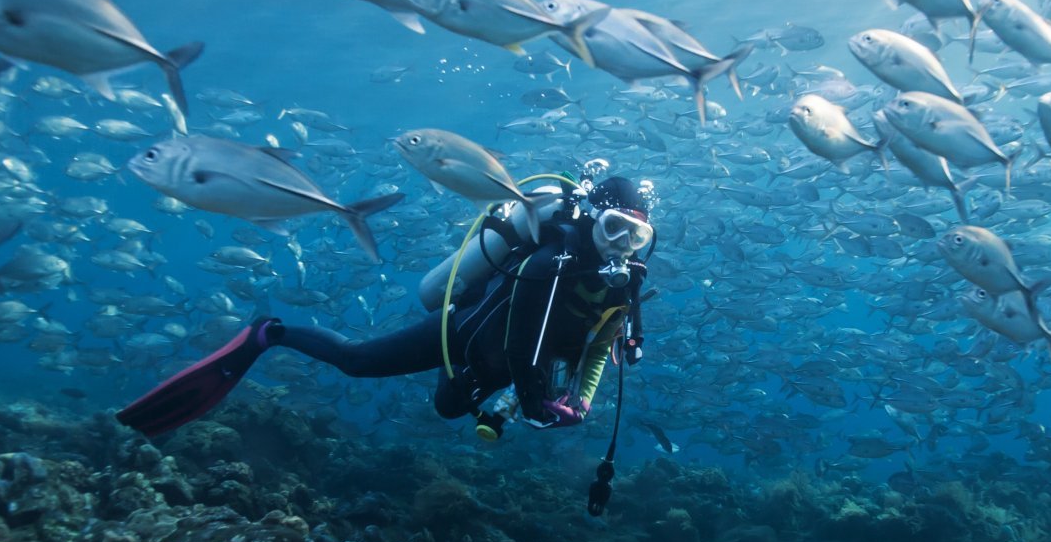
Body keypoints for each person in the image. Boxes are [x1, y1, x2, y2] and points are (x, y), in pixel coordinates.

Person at [117, 173, 653, 439]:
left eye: (636, 236)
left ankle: (487, 393)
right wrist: (534, 402)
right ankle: (268, 333)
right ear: (591, 218)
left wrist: (581, 402)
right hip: (465, 334)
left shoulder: (624, 283)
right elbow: (520, 342)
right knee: (358, 361)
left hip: (506, 366)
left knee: (448, 409)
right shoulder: (549, 262)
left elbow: (599, 350)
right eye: (614, 228)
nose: (622, 246)